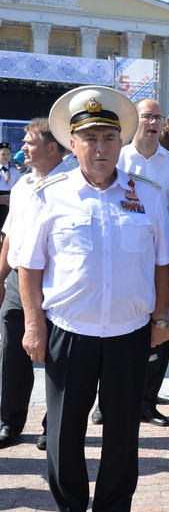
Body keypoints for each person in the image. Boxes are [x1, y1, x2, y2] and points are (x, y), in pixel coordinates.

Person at [18, 86, 169, 512]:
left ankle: (113, 507)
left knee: (124, 426)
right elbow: (29, 266)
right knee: (66, 427)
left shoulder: (145, 194)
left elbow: (164, 261)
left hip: (130, 330)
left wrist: (161, 317)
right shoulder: (50, 195)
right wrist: (33, 325)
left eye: (109, 137)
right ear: (72, 143)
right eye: (90, 139)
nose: (101, 147)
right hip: (71, 330)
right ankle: (70, 509)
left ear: (120, 142)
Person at [117, 98, 169, 427]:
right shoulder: (117, 158)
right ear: (135, 120)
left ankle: (148, 401)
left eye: (158, 117)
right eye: (147, 116)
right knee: (118, 327)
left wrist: (158, 252)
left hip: (163, 259)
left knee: (162, 328)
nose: (153, 122)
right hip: (121, 261)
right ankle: (109, 402)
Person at [0, 119, 69, 451]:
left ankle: (51, 425)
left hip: (57, 278)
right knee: (11, 348)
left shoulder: (71, 184)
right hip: (18, 279)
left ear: (52, 147)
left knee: (57, 355)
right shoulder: (22, 186)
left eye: (29, 142)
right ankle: (9, 422)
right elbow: (9, 237)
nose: (22, 148)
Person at [0, 141, 23, 233]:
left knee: (6, 231)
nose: (6, 156)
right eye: (3, 154)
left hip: (9, 202)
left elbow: (20, 189)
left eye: (8, 154)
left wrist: (11, 198)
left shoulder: (15, 172)